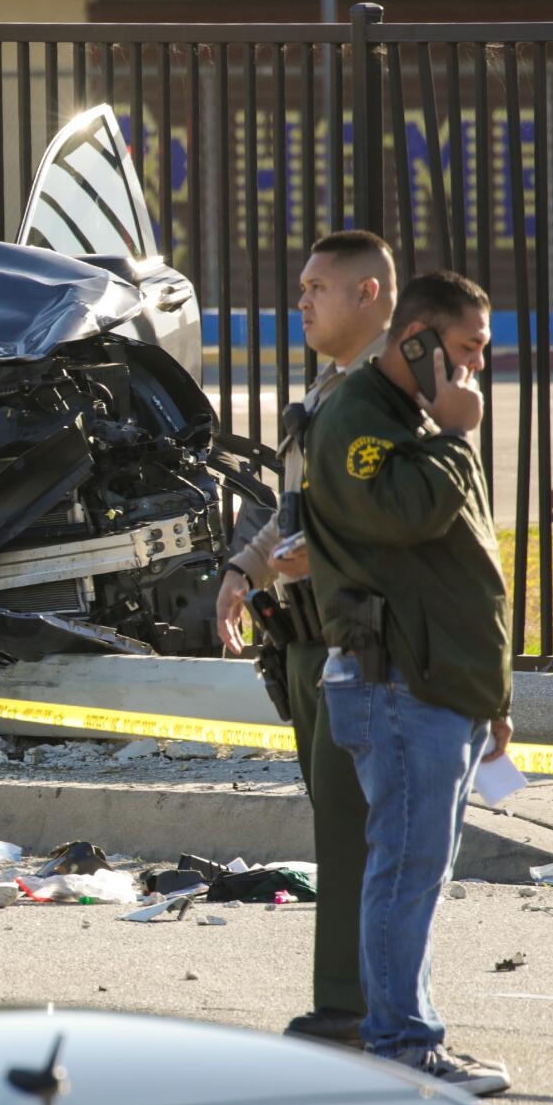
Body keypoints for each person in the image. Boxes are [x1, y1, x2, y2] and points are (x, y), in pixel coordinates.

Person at [301, 269, 513, 1096]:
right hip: (395, 685)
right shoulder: (359, 418)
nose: (475, 370)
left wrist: (493, 697)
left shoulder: (414, 420)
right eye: (466, 350)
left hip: (440, 683)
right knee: (404, 870)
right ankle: (399, 1045)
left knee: (419, 871)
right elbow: (407, 515)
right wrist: (456, 434)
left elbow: (465, 567)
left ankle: (412, 1034)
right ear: (416, 339)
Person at [214, 230, 394, 1047]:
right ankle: (344, 1001)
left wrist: (314, 556)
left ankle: (355, 1007)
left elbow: (394, 517)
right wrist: (244, 570)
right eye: (300, 287)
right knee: (336, 831)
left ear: (370, 294)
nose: (302, 302)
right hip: (307, 643)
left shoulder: (393, 392)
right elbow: (295, 509)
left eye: (318, 287)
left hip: (363, 644)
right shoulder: (327, 389)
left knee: (361, 837)